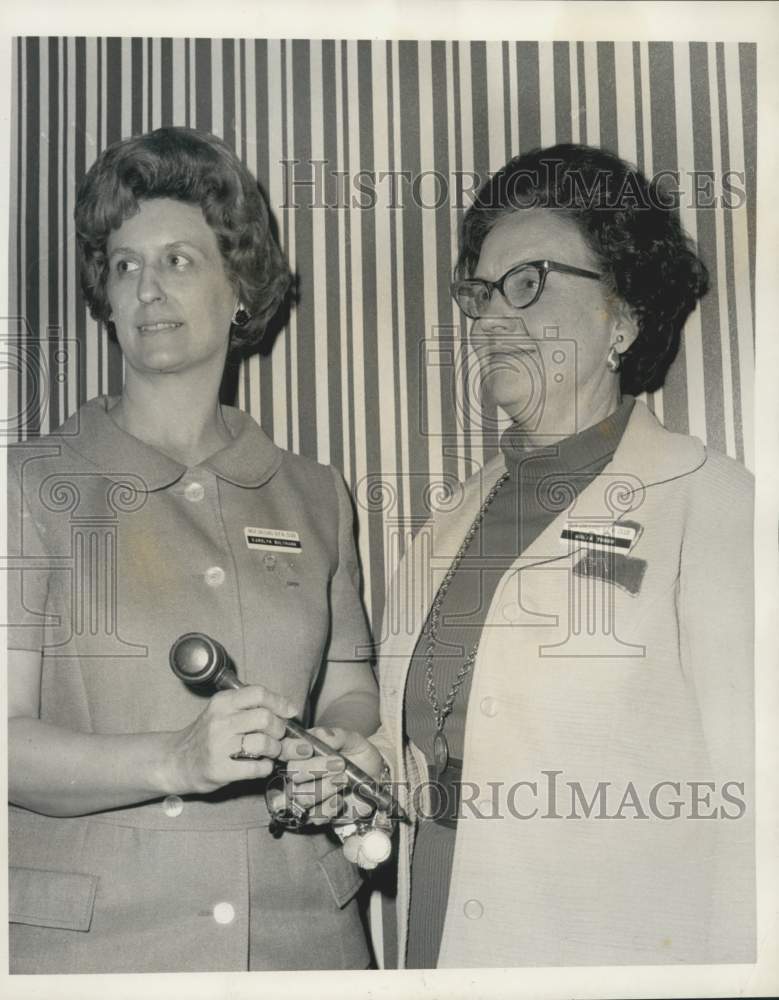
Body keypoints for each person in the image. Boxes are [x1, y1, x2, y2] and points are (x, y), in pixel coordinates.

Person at [300, 144, 755, 968]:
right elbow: (440, 759)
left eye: (528, 283)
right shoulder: (442, 530)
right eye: (480, 292)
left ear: (621, 316)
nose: (489, 318)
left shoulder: (711, 505)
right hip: (440, 944)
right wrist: (361, 773)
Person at [7, 126, 378, 974]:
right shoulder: (27, 485)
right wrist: (175, 760)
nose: (146, 288)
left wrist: (338, 752)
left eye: (178, 260)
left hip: (304, 945)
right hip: (99, 954)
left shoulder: (315, 494)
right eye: (126, 264)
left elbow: (352, 689)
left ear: (240, 287)